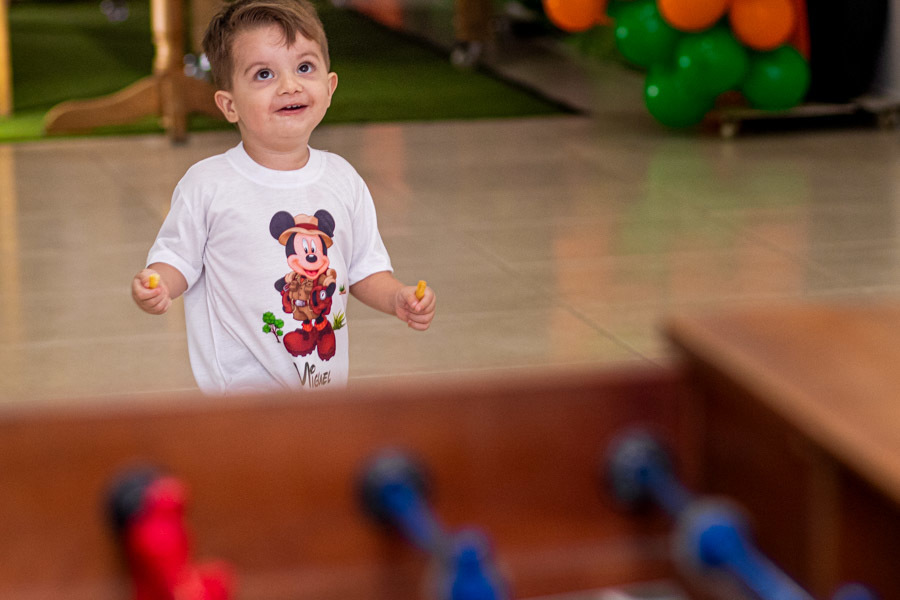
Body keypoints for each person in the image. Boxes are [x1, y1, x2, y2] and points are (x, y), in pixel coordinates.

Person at [131, 0, 436, 394]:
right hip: (241, 399)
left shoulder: (343, 179)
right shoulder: (208, 184)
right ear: (229, 105)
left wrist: (396, 296)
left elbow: (364, 268)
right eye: (263, 74)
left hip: (322, 390)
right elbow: (177, 260)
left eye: (304, 68)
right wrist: (159, 285)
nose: (289, 85)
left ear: (329, 88)